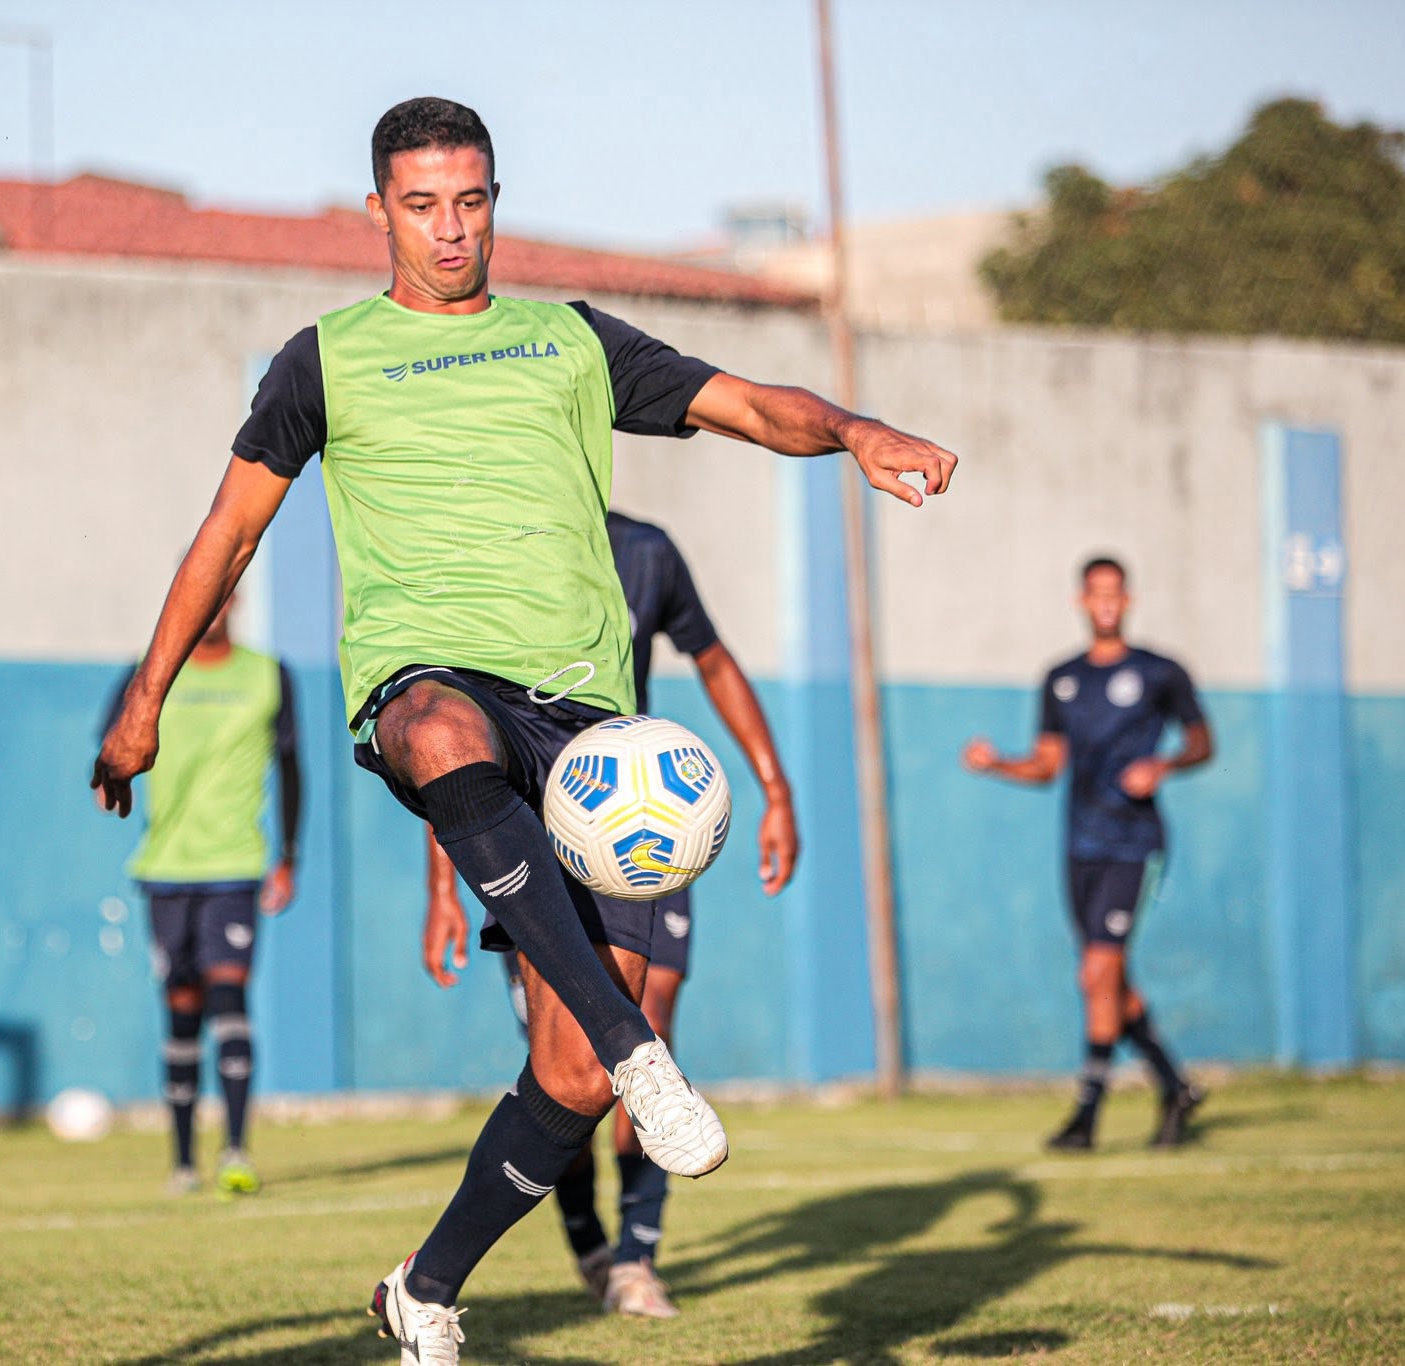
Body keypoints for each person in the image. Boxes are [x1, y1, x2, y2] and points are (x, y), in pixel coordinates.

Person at [91, 96, 957, 1365]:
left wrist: (853, 431)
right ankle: (639, 1047)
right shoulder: (320, 359)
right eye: (423, 204)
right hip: (425, 679)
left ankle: (425, 1287)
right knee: (439, 728)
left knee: (563, 1080)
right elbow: (226, 532)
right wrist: (142, 699)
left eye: (472, 199)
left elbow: (746, 403)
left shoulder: (567, 342)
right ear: (376, 210)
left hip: (586, 733)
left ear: (495, 200)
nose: (450, 230)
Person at [421, 508, 800, 1319]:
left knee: (646, 1025)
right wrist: (439, 892)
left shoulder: (647, 551)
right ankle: (590, 1240)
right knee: (567, 1065)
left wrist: (775, 787)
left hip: (648, 830)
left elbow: (716, 659)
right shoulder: (500, 544)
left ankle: (636, 1258)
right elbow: (450, 741)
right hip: (529, 834)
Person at [962, 557, 1210, 1152]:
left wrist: (1165, 764)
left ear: (1128, 600)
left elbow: (1203, 741)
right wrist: (997, 764)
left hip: (1134, 843)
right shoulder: (1061, 678)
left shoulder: (1160, 672)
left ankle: (1086, 1115)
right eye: (1095, 593)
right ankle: (1175, 1084)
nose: (1105, 602)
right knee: (1106, 980)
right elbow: (1048, 766)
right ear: (1081, 600)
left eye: (1114, 593)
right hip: (1080, 844)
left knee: (1098, 971)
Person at [101, 595, 300, 1198]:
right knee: (182, 1008)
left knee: (228, 995)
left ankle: (235, 1150)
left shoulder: (268, 674)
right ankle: (183, 1162)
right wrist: (107, 776)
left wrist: (288, 857)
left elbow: (293, 767)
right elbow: (113, 746)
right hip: (166, 868)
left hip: (235, 865)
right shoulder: (150, 670)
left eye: (221, 593)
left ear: (234, 598)